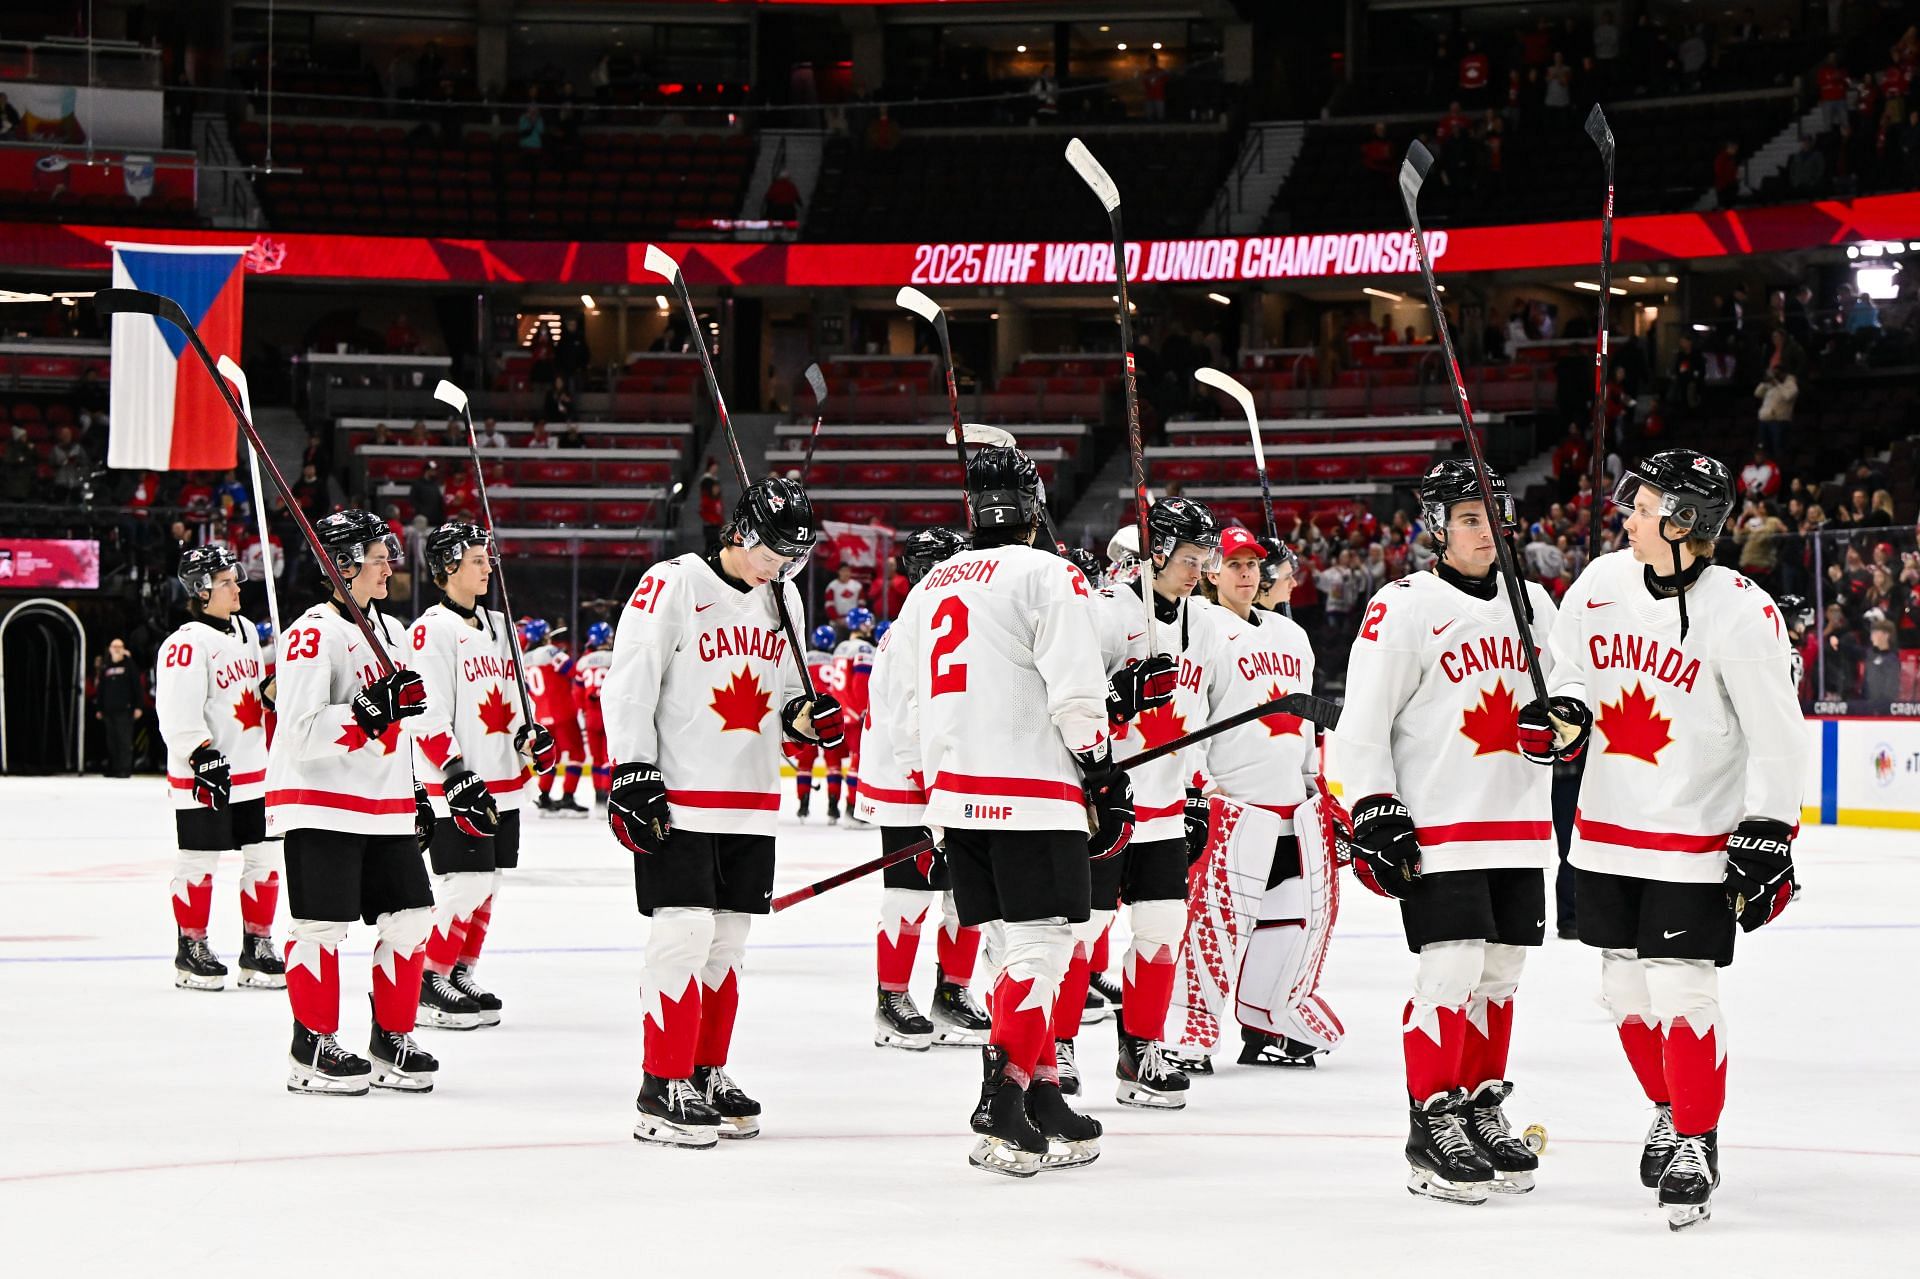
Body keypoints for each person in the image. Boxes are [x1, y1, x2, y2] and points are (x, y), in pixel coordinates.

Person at [1545, 450, 1804, 1231]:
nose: (1628, 516)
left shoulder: (1743, 609)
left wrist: (1768, 828)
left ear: (1685, 522)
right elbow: (1571, 674)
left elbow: (1778, 734)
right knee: (1624, 992)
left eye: (1645, 505)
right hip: (1604, 835)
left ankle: (1695, 1137)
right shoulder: (1598, 582)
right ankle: (1669, 1105)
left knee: (1682, 989)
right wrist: (1560, 714)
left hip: (1693, 837)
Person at [882, 446, 1124, 1176]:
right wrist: (1102, 771)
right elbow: (1077, 690)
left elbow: (903, 704)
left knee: (1010, 947)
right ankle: (1002, 1098)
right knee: (1042, 950)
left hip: (958, 795)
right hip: (1033, 791)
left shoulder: (928, 588)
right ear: (1033, 505)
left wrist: (931, 790)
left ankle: (1044, 1092)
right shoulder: (1050, 573)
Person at [1334, 459, 1562, 1205]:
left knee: (1500, 975)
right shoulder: (1401, 606)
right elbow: (1360, 724)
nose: (1484, 530)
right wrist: (1373, 805)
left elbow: (1569, 699)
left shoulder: (1535, 604)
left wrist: (1567, 723)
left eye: (1493, 514)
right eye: (1468, 517)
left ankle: (1478, 1101)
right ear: (1436, 524)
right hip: (1443, 827)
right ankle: (1430, 1118)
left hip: (1520, 823)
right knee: (1451, 971)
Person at [604, 475, 842, 1148]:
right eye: (774, 551)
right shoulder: (673, 582)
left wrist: (810, 718)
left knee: (727, 943)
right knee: (682, 934)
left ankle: (706, 1070)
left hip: (750, 799)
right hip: (679, 793)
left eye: (795, 556)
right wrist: (631, 767)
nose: (782, 566)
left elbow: (790, 696)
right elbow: (630, 681)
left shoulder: (784, 597)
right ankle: (661, 1081)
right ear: (741, 531)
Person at [267, 509, 436, 1095]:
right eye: (377, 554)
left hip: (382, 803)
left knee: (412, 919)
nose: (389, 563)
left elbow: (398, 727)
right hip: (321, 801)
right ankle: (311, 1045)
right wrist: (369, 710)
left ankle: (391, 1038)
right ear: (342, 564)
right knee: (321, 925)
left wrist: (413, 787)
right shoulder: (313, 632)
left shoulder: (386, 630)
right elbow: (301, 733)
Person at [1188, 528, 1343, 1069]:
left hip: (1289, 809)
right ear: (1212, 571)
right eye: (1234, 565)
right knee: (1212, 929)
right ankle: (1191, 1037)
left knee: (1287, 923)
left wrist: (1311, 781)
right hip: (1231, 808)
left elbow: (1300, 721)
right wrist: (1199, 785)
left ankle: (1266, 1021)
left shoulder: (1290, 635)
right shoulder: (1200, 624)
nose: (1247, 574)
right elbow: (1191, 713)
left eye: (1252, 564)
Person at [407, 524, 555, 1032]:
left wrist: (531, 738)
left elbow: (515, 702)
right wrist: (451, 771)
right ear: (448, 567)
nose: (488, 566)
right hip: (459, 784)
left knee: (488, 884)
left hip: (504, 778)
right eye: (476, 559)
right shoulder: (430, 631)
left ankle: (461, 970)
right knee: (463, 884)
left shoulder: (500, 624)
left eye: (487, 558)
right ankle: (428, 977)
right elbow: (425, 712)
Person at [860, 527, 991, 1052]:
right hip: (910, 782)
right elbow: (908, 719)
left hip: (948, 777)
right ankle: (891, 999)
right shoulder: (915, 628)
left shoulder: (942, 622)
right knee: (909, 897)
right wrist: (928, 785)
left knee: (967, 895)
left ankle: (952, 994)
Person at [155, 544, 281, 992]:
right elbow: (174, 708)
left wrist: (273, 687)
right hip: (206, 770)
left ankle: (258, 945)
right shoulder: (185, 643)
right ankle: (191, 947)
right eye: (226, 581)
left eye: (235, 578)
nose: (236, 587)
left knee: (264, 857)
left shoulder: (246, 631)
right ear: (201, 589)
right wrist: (197, 751)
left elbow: (250, 693)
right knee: (198, 860)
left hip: (254, 768)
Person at [522, 620, 588, 816]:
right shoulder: (551, 652)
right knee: (577, 755)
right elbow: (573, 671)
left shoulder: (524, 658)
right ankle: (568, 797)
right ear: (545, 635)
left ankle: (543, 797)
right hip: (563, 712)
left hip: (541, 715)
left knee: (551, 757)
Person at [573, 621, 615, 808]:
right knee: (609, 758)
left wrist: (583, 710)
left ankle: (597, 795)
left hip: (590, 715)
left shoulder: (583, 662)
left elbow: (577, 691)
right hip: (609, 712)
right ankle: (607, 793)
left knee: (596, 759)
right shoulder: (615, 657)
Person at [95, 637, 143, 777]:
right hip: (109, 710)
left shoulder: (130, 666)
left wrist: (138, 706)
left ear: (123, 649)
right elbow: (101, 690)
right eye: (114, 646)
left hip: (125, 710)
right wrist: (99, 708)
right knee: (111, 741)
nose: (116, 649)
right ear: (110, 649)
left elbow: (137, 687)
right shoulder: (106, 667)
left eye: (119, 646)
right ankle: (113, 768)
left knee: (124, 740)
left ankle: (124, 769)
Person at [698, 460, 724, 556]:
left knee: (714, 545)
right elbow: (703, 510)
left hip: (716, 523)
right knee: (711, 546)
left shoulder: (717, 501)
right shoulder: (707, 499)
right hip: (710, 524)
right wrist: (712, 520)